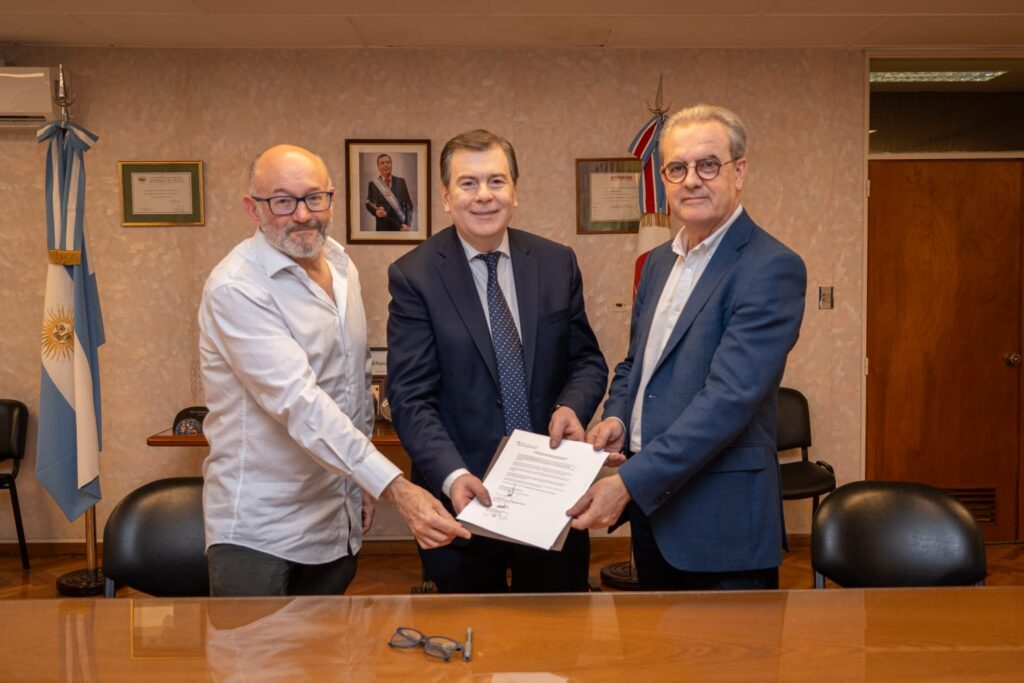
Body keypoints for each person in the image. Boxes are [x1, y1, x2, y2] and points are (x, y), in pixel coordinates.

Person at [198, 144, 468, 597]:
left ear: (332, 198)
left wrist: (357, 484)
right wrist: (394, 487)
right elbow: (302, 405)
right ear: (253, 208)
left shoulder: (342, 266)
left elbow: (352, 385)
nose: (303, 214)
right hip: (261, 533)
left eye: (313, 198)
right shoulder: (237, 288)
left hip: (334, 523)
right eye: (282, 201)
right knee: (255, 646)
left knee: (327, 644)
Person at [568, 105, 807, 591]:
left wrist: (627, 483)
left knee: (725, 645)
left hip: (720, 523)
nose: (692, 179)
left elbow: (727, 402)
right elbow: (637, 364)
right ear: (664, 179)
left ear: (739, 171)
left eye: (708, 164)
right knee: (656, 641)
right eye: (677, 167)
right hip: (654, 514)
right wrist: (617, 418)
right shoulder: (658, 263)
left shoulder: (770, 267)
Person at [386, 129, 609, 593]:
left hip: (550, 494)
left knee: (556, 628)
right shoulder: (414, 275)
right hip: (462, 498)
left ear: (515, 191)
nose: (483, 195)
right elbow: (410, 397)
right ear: (446, 197)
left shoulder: (556, 263)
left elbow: (587, 361)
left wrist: (571, 406)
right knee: (469, 632)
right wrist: (452, 475)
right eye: (468, 183)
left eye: (496, 181)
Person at [365, 153, 414, 231]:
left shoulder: (401, 182)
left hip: (401, 227)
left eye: (388, 162)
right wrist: (376, 212)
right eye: (382, 163)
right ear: (378, 167)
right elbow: (369, 204)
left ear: (391, 165)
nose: (386, 165)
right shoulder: (373, 184)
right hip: (382, 228)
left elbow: (408, 204)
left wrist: (407, 224)